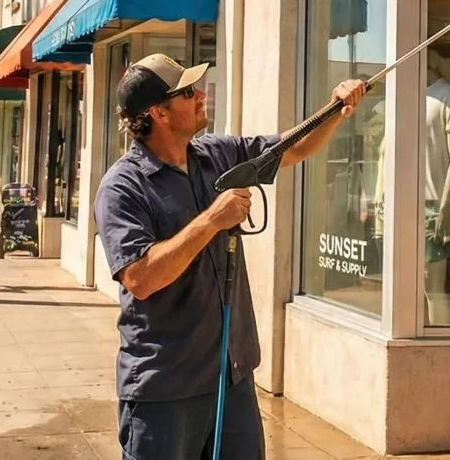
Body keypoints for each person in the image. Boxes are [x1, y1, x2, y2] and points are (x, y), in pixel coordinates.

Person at [95, 54, 366, 460]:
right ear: (158, 113)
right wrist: (211, 221)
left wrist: (335, 109)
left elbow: (290, 149)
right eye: (187, 92)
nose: (201, 95)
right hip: (165, 387)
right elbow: (140, 277)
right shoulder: (122, 187)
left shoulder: (216, 154)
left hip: (231, 377)